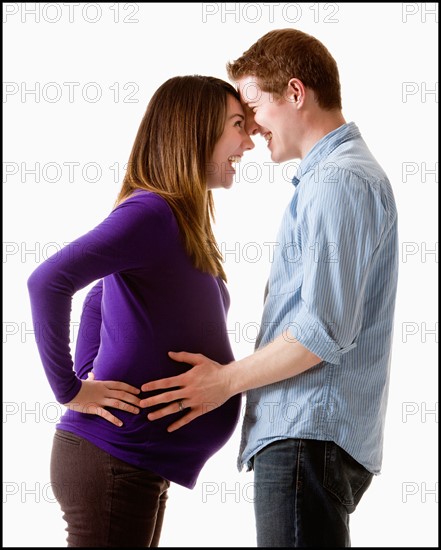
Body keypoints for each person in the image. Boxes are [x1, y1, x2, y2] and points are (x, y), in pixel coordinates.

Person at [139, 29, 399, 548]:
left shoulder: (338, 182)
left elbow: (319, 332)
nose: (251, 129)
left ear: (296, 93)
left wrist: (224, 382)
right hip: (312, 439)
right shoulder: (335, 179)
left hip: (308, 435)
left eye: (254, 105)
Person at [27, 74, 254, 547]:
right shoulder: (152, 212)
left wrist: (94, 367)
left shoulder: (179, 221)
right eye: (238, 125)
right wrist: (73, 389)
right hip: (113, 456)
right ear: (197, 129)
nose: (248, 142)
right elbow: (47, 281)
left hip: (136, 461)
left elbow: (98, 295)